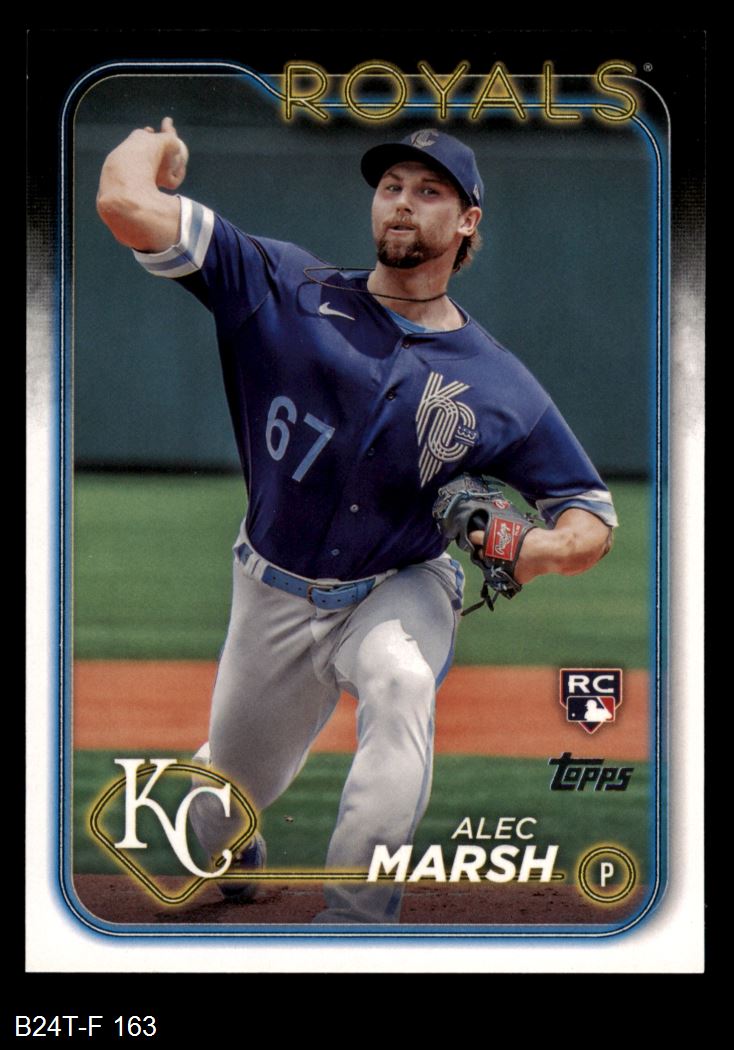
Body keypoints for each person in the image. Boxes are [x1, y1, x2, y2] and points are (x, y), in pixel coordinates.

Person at [96, 118, 617, 924]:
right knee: (222, 800)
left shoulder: (499, 384)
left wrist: (535, 548)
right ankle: (232, 850)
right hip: (272, 590)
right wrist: (152, 144)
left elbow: (591, 517)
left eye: (429, 190)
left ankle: (354, 921)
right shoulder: (282, 285)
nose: (402, 201)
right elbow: (123, 204)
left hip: (398, 582)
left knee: (402, 682)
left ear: (467, 220)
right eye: (391, 186)